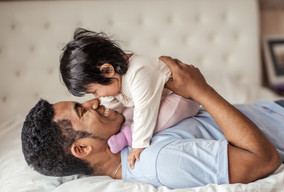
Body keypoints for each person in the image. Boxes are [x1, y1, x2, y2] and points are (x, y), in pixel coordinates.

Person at [21, 57, 284, 189]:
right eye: (83, 110)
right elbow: (264, 160)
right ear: (81, 148)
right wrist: (201, 90)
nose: (94, 101)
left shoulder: (126, 132)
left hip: (278, 111)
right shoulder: (158, 161)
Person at [60, 28, 199, 169]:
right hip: (155, 100)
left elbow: (145, 109)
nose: (97, 97)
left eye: (94, 91)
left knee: (157, 115)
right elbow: (113, 107)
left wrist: (138, 145)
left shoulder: (139, 72)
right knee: (125, 114)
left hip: (182, 99)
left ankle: (128, 136)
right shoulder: (115, 80)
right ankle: (128, 129)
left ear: (107, 70)